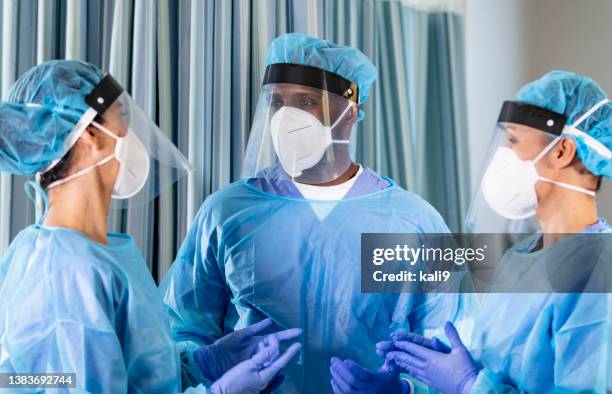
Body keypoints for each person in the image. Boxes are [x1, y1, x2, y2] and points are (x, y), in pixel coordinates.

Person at [161, 33, 477, 393]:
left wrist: (405, 389)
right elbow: (181, 329)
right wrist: (207, 367)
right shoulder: (226, 212)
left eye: (306, 101)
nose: (286, 118)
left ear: (351, 112)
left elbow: (452, 344)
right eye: (278, 103)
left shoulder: (416, 220)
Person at [0, 60, 301, 393]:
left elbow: (141, 377)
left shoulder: (83, 252)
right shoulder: (71, 273)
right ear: (90, 137)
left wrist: (203, 364)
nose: (131, 133)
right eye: (122, 116)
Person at [378, 71, 611, 393]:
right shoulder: (523, 255)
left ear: (562, 152)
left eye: (514, 140)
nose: (504, 154)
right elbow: (499, 367)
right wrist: (418, 384)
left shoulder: (598, 273)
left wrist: (468, 385)